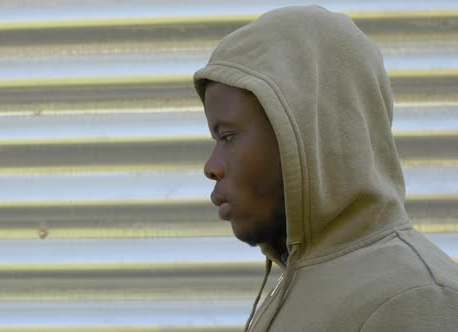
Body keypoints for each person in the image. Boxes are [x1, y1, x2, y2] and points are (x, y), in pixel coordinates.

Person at [193, 5, 458, 332]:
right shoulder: (305, 279)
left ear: (312, 134)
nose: (212, 166)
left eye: (229, 136)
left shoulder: (413, 299)